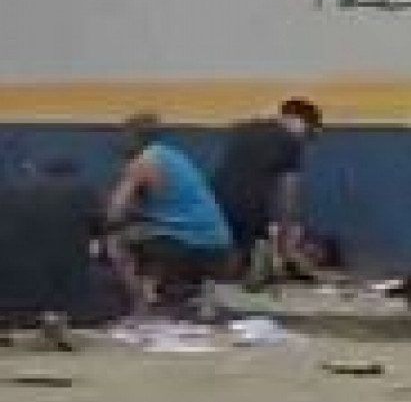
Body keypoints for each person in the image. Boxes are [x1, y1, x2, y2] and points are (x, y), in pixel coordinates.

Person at [106, 116, 232, 314]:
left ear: (133, 137)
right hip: (219, 244)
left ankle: (139, 303)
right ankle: (193, 289)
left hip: (185, 243)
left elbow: (114, 211)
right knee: (147, 232)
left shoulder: (143, 161)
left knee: (115, 242)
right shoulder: (173, 156)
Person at [212, 98, 323, 277]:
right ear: (301, 122)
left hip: (214, 206)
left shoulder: (243, 130)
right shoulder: (290, 141)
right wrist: (284, 245)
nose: (305, 140)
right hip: (249, 213)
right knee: (257, 268)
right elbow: (288, 197)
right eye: (309, 134)